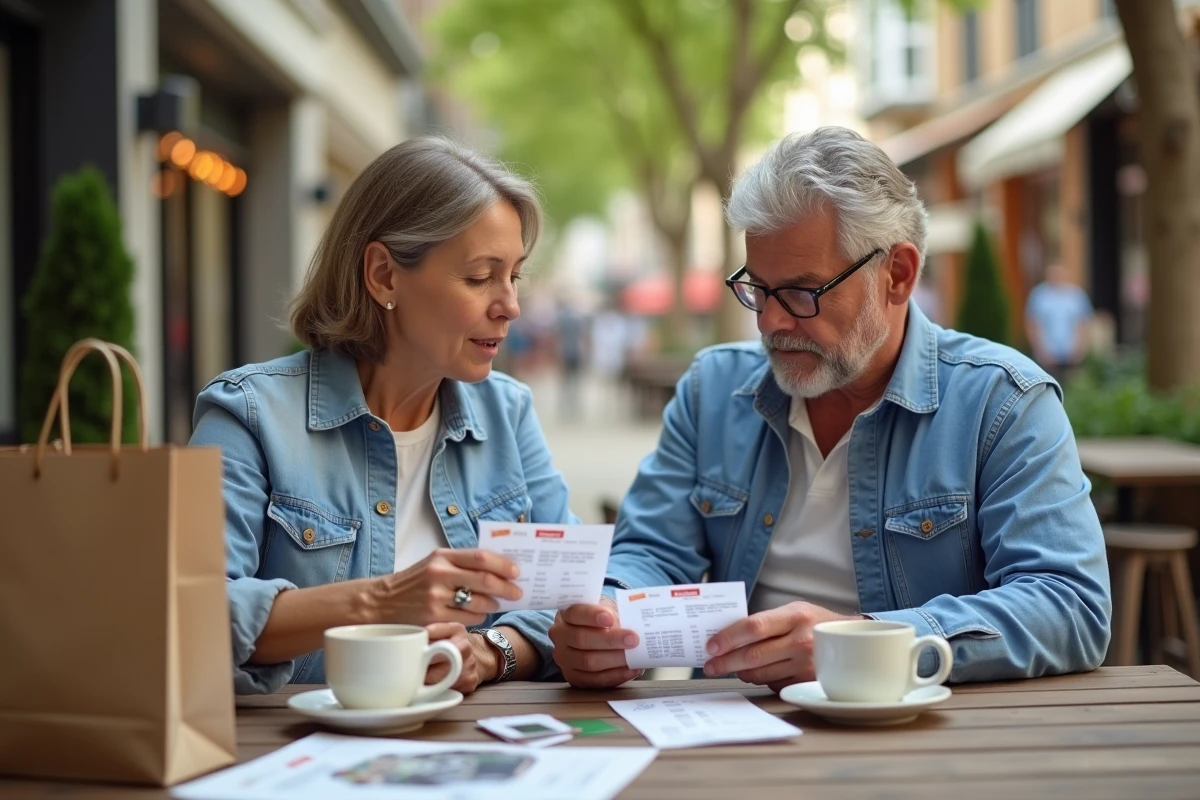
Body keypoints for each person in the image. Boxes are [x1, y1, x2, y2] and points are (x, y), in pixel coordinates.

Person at [549, 127, 1111, 691]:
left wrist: (863, 645)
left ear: (897, 275)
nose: (771, 322)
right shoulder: (714, 389)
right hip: (731, 726)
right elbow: (651, 550)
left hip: (919, 731)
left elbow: (1070, 606)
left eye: (801, 292)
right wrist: (610, 615)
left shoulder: (1002, 401)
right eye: (757, 289)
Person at [191, 137, 574, 695]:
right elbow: (190, 612)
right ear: (384, 276)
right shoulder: (248, 415)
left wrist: (490, 653)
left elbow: (572, 596)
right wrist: (382, 600)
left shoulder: (508, 412)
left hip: (462, 753)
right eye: (479, 277)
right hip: (291, 760)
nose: (510, 306)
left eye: (514, 275)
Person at [1025, 263, 1094, 381]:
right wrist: (1039, 349)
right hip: (1047, 353)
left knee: (1072, 386)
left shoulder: (1076, 295)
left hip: (1071, 352)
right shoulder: (1039, 295)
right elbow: (1032, 324)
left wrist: (1080, 348)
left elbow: (1084, 323)